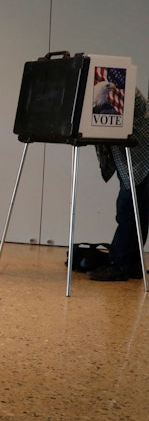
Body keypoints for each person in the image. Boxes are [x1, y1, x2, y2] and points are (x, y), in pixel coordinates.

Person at [88, 88, 149, 281]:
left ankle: (119, 264)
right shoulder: (118, 89)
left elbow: (109, 125)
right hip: (136, 162)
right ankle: (132, 264)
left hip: (140, 162)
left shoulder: (121, 91)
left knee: (128, 213)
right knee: (137, 213)